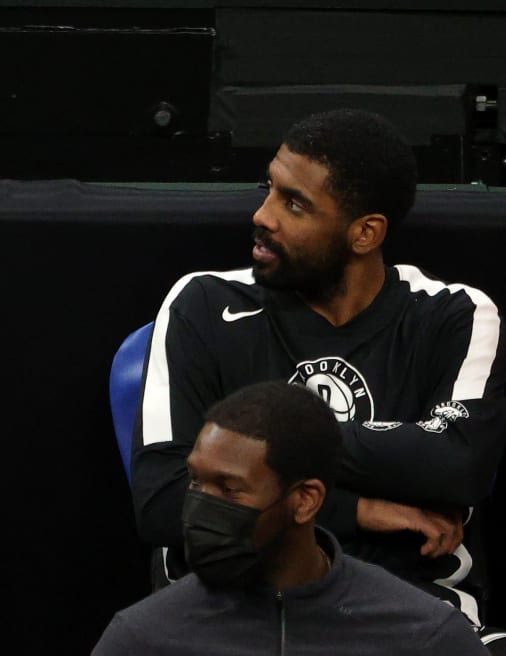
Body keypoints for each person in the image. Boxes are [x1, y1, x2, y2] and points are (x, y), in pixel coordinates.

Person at [130, 108, 506, 643]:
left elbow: (456, 463)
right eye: (269, 190)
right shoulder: (204, 303)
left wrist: (252, 463)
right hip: (232, 610)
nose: (263, 216)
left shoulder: (454, 316)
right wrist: (359, 508)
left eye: (295, 204)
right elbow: (161, 500)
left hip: (407, 614)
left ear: (364, 233)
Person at [95, 381, 490, 655]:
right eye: (196, 482)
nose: (200, 506)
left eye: (230, 489)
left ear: (305, 501)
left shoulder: (422, 635)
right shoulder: (144, 638)